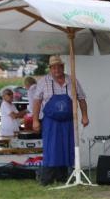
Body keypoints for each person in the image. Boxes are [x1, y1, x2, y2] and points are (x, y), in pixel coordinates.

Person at [32, 56, 89, 185]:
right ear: (50, 69)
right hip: (50, 121)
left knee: (67, 146)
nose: (57, 69)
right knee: (51, 147)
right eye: (54, 67)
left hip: (69, 120)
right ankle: (47, 178)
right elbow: (37, 101)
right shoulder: (43, 81)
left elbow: (81, 99)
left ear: (63, 67)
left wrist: (85, 115)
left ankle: (63, 176)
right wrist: (35, 120)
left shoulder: (72, 80)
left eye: (59, 66)